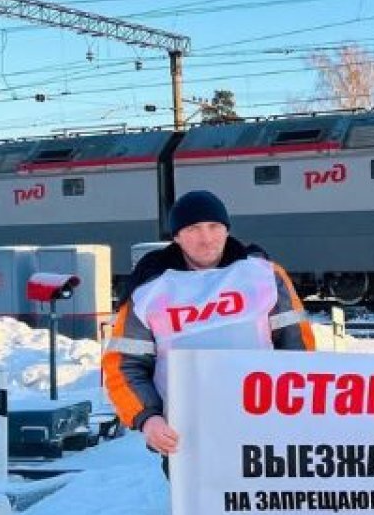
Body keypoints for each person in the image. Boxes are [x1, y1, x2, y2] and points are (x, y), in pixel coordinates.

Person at [102, 190, 315, 472]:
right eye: (193, 229)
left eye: (214, 226)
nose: (206, 237)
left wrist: (302, 407)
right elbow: (123, 364)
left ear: (227, 230)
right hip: (187, 435)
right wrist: (147, 418)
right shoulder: (150, 289)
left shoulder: (263, 274)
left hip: (263, 426)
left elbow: (297, 346)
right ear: (176, 237)